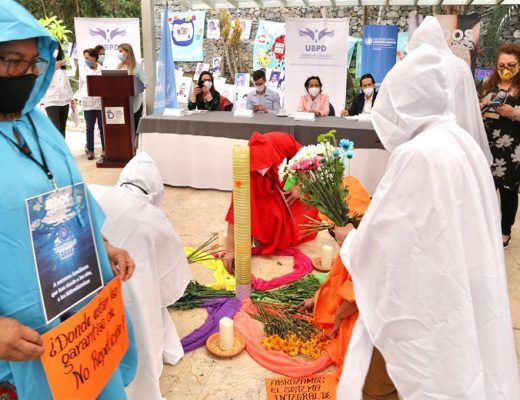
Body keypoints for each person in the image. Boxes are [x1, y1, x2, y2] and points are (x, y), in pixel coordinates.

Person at [334, 44, 520, 399]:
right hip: (455, 288)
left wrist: (351, 239)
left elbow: (389, 242)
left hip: (419, 299)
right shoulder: (463, 141)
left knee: (383, 383)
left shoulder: (418, 153)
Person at [0, 1, 138, 398]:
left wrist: (102, 246)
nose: (27, 73)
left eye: (34, 63)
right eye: (13, 61)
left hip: (81, 325)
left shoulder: (38, 122)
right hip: (24, 342)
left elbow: (68, 195)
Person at [92, 152, 192, 400]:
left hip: (93, 286)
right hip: (135, 291)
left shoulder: (97, 193)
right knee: (145, 309)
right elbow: (171, 271)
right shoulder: (155, 217)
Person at [299, 176, 370, 381]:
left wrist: (338, 317)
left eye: (334, 230)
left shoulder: (368, 247)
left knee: (350, 348)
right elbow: (338, 276)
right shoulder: (358, 237)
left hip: (366, 313)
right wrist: (316, 298)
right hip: (354, 301)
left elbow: (358, 293)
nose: (334, 234)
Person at [223, 132, 319, 273]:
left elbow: (310, 161)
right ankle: (273, 233)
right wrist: (231, 249)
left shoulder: (283, 141)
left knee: (301, 205)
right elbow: (236, 211)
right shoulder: (248, 175)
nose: (262, 169)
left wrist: (300, 185)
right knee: (266, 210)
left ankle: (291, 230)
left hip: (293, 176)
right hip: (268, 183)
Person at [406, 16, 492, 166]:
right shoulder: (460, 65)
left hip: (426, 135)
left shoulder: (416, 66)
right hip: (460, 132)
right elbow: (468, 102)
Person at [479, 43, 520, 248]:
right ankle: (483, 228)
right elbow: (472, 107)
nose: (505, 69)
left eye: (511, 65)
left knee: (508, 191)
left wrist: (513, 112)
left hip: (512, 148)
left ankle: (505, 231)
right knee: (483, 190)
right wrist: (482, 104)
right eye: (501, 64)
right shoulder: (487, 83)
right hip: (486, 145)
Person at [42, 43, 74, 137]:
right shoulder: (44, 63)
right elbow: (43, 79)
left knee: (62, 129)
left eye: (57, 48)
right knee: (55, 128)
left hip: (64, 100)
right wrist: (55, 67)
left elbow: (67, 84)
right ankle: (55, 146)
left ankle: (62, 146)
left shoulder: (62, 65)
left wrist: (72, 99)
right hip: (51, 100)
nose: (55, 50)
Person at [80, 47, 104, 160]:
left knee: (102, 127)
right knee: (89, 127)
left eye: (87, 58)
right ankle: (90, 150)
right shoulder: (83, 69)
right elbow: (86, 82)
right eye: (85, 58)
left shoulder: (102, 69)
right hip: (88, 102)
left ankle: (105, 149)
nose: (86, 60)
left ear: (94, 57)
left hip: (100, 102)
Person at [117, 43, 146, 131]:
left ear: (128, 52)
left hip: (135, 103)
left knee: (135, 129)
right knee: (125, 130)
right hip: (122, 103)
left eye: (121, 51)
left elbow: (145, 82)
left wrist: (135, 86)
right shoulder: (119, 66)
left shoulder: (137, 66)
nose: (119, 54)